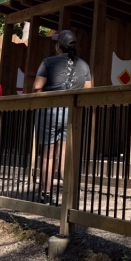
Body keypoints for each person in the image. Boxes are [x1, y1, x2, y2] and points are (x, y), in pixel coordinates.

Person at [33, 30, 92, 201]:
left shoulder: (48, 62)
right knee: (65, 153)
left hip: (50, 110)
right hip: (71, 111)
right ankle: (69, 192)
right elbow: (88, 89)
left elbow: (37, 87)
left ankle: (47, 192)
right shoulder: (83, 65)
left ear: (58, 46)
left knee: (48, 154)